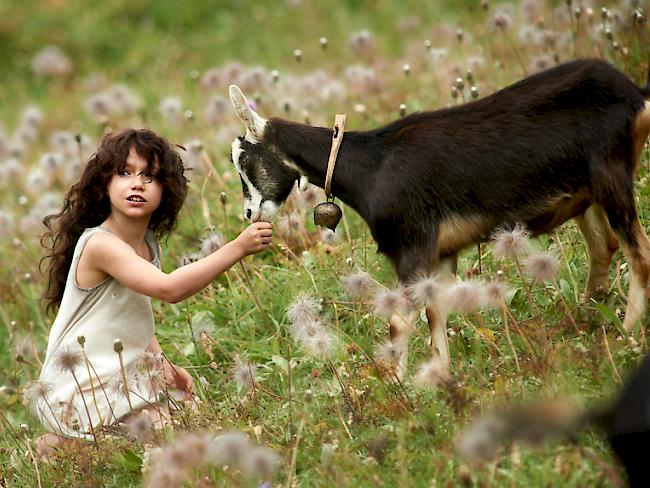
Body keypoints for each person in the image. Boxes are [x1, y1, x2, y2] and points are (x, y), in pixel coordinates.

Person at [32, 128, 272, 456]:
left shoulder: (147, 245)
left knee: (191, 412)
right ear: (104, 184)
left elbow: (135, 315)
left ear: (165, 190)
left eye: (150, 176)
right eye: (125, 173)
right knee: (163, 434)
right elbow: (169, 289)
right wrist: (237, 247)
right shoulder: (101, 244)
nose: (137, 184)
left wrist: (163, 366)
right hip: (81, 384)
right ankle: (58, 445)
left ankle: (75, 444)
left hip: (119, 373)